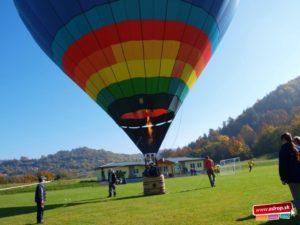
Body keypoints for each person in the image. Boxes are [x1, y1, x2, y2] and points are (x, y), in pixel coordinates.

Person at [279, 133, 300, 224]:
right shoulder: (297, 147)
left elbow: (282, 166)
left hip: (292, 178)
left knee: (297, 197)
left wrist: (283, 178)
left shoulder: (284, 149)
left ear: (284, 140)